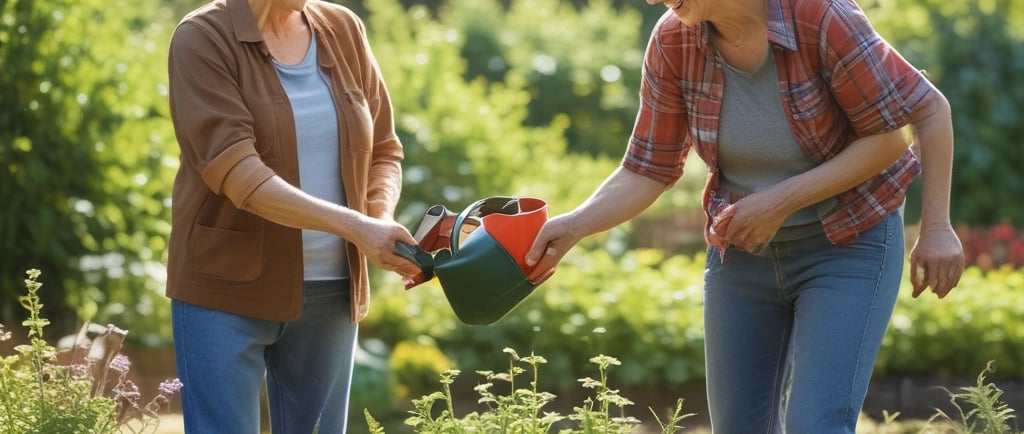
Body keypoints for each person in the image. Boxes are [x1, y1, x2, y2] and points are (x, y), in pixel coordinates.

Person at [525, 0, 964, 431]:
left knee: (815, 424)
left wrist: (936, 228)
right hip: (743, 254)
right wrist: (574, 225)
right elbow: (648, 168)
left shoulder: (821, 16)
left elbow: (889, 138)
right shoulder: (672, 39)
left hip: (847, 246)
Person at [165, 0, 421, 432]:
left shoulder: (342, 28)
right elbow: (236, 171)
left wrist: (379, 221)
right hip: (226, 289)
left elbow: (382, 149)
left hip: (332, 291)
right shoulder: (202, 38)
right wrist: (356, 227)